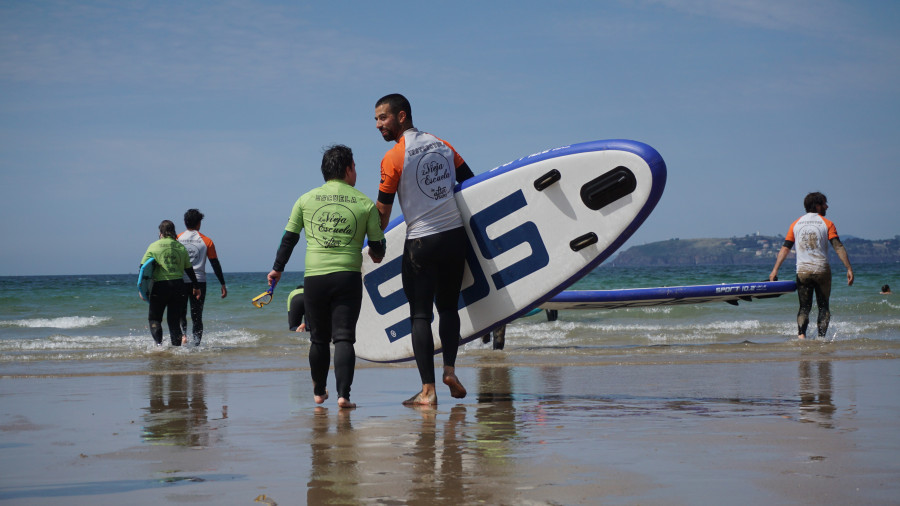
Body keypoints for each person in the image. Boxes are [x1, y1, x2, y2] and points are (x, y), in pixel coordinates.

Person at [374, 93, 476, 406]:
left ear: (401, 116)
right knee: (448, 308)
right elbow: (471, 183)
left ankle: (428, 391)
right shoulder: (443, 144)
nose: (378, 125)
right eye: (376, 120)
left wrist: (373, 242)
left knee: (419, 315)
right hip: (454, 237)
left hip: (421, 242)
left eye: (383, 118)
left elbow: (383, 215)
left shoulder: (394, 158)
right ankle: (449, 370)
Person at [267, 145, 385, 409]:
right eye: (355, 167)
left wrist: (277, 268)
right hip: (348, 277)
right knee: (344, 337)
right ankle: (344, 396)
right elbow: (378, 246)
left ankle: (319, 393)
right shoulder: (365, 203)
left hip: (315, 278)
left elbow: (289, 239)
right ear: (348, 169)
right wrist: (376, 254)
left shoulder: (306, 199)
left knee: (318, 338)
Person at [769, 192, 854, 340]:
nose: (827, 206)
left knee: (804, 307)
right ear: (817, 205)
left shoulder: (795, 224)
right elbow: (838, 246)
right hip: (822, 271)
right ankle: (821, 339)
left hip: (803, 271)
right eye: (824, 203)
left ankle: (801, 336)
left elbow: (785, 248)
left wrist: (775, 270)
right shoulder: (827, 223)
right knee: (824, 307)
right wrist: (848, 268)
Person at [141, 220, 201, 346]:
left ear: (160, 232)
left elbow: (143, 268)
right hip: (179, 287)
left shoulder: (154, 246)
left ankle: (159, 346)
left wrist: (142, 289)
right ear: (173, 232)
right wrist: (196, 286)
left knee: (155, 319)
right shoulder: (180, 247)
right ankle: (177, 351)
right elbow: (189, 269)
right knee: (174, 321)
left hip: (160, 287)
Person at [178, 209, 227, 346]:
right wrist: (222, 284)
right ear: (199, 223)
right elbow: (215, 263)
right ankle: (197, 344)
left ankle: (183, 335)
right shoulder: (206, 241)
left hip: (180, 281)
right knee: (197, 315)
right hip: (199, 282)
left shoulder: (177, 239)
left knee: (181, 311)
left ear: (185, 222)